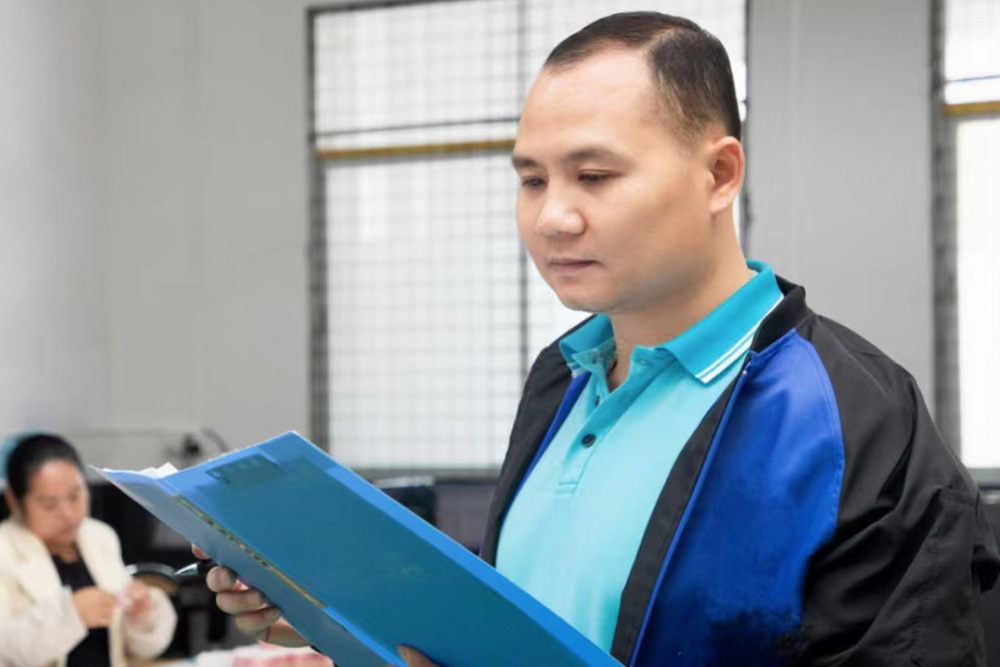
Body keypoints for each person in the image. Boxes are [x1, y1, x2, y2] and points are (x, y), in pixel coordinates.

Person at [200, 11, 1000, 666]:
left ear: (719, 174)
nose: (553, 216)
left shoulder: (853, 412)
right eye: (531, 178)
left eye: (595, 175)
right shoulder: (561, 378)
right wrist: (342, 618)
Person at [0, 433, 177, 667]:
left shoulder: (99, 536)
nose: (68, 514)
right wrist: (69, 616)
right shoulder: (5, 550)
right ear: (14, 501)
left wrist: (143, 616)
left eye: (75, 496)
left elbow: (137, 648)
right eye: (49, 504)